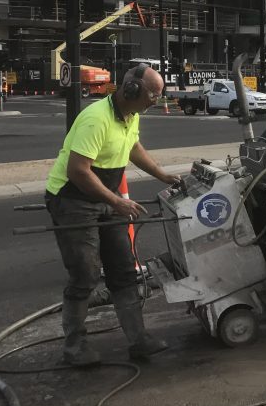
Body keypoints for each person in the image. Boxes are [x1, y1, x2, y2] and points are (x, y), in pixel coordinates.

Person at [45, 64, 181, 365]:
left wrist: (161, 174)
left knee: (123, 271)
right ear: (131, 89)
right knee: (85, 274)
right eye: (153, 95)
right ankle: (74, 348)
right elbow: (78, 172)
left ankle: (138, 340)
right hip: (72, 198)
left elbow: (132, 147)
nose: (155, 102)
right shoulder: (96, 119)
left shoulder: (129, 116)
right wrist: (117, 202)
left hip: (102, 197)